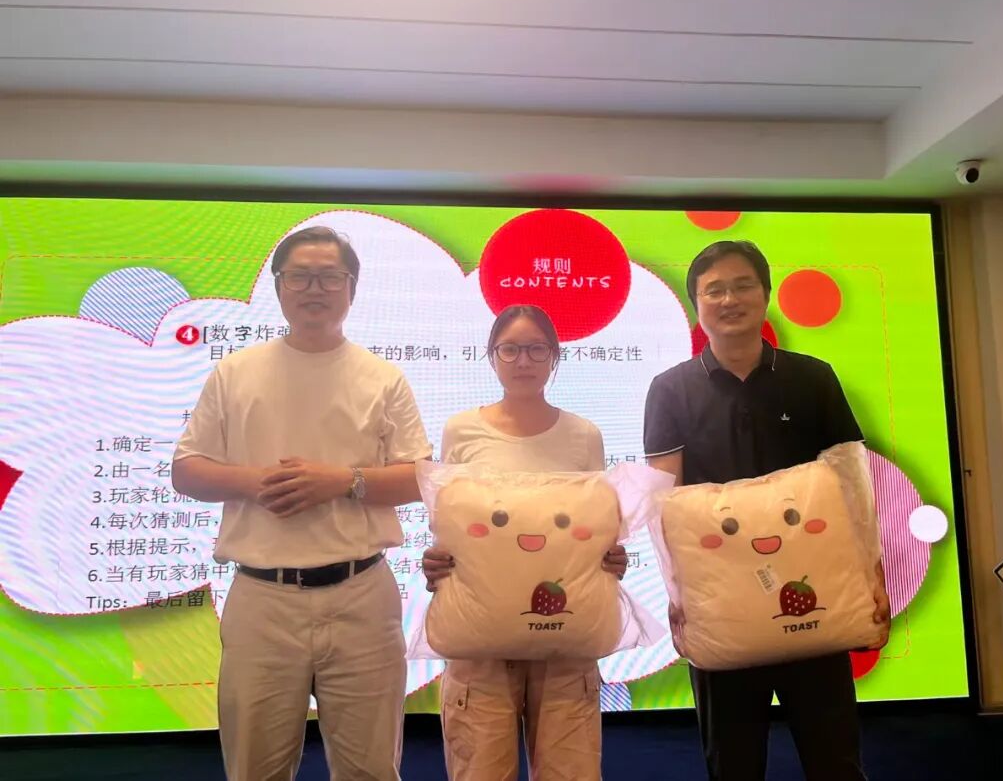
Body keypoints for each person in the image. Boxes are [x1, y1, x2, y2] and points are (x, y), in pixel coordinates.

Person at [172, 226, 431, 781]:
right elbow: (186, 470)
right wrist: (258, 482)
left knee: (370, 770)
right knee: (255, 768)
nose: (315, 289)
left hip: (362, 595)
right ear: (279, 286)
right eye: (300, 276)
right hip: (262, 598)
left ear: (352, 288)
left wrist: (344, 481)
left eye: (330, 277)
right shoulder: (235, 371)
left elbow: (420, 478)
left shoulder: (382, 377)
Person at [643, 241, 890, 781]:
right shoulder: (670, 389)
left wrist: (872, 575)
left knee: (835, 758)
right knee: (733, 763)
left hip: (814, 594)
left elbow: (852, 485)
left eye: (742, 285)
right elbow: (663, 502)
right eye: (714, 290)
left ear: (766, 293)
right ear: (697, 304)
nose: (729, 299)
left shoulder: (813, 377)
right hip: (722, 602)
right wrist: (678, 594)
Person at [421, 304, 627, 781]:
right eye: (509, 349)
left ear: (555, 356)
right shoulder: (461, 429)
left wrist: (610, 556)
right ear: (491, 355)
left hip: (566, 631)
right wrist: (439, 560)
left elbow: (593, 524)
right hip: (481, 635)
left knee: (570, 771)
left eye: (536, 349)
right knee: (481, 770)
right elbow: (452, 521)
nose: (523, 360)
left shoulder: (584, 435)